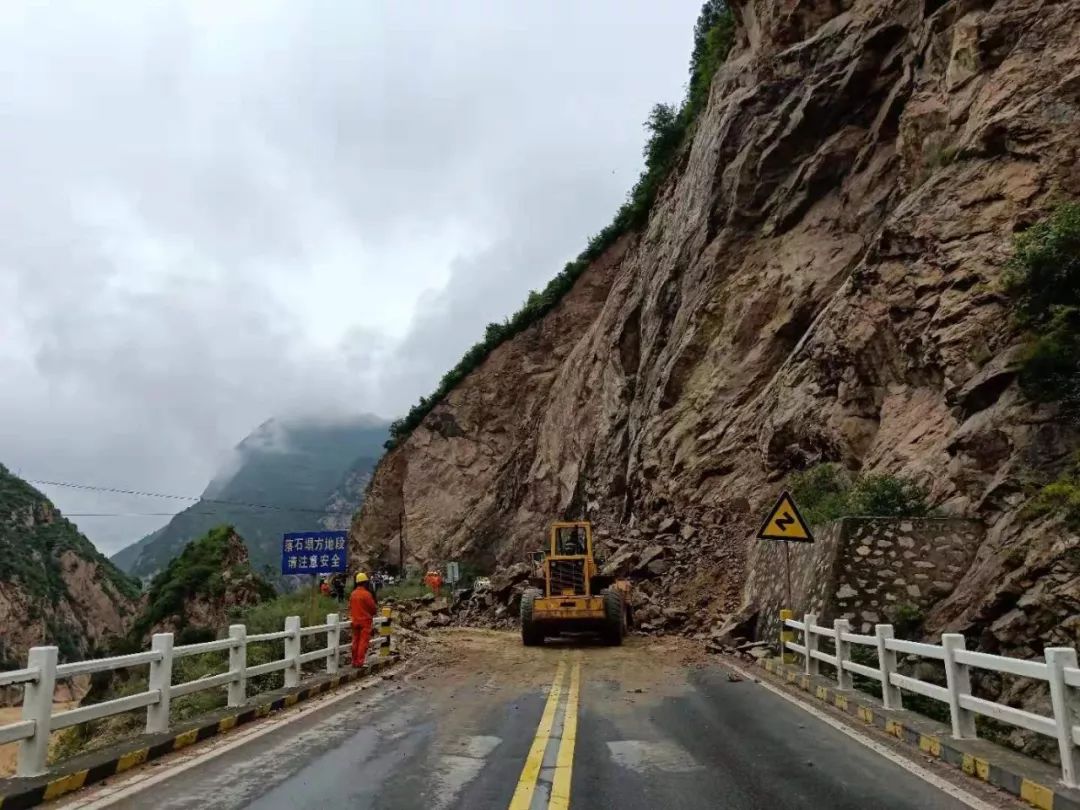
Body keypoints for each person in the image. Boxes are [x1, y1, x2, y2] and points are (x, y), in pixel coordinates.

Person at [349, 572, 378, 667]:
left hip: (355, 621)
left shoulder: (353, 594)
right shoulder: (367, 594)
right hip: (365, 622)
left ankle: (354, 661)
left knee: (355, 641)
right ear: (365, 582)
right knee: (363, 642)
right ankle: (360, 662)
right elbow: (373, 608)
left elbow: (350, 607)